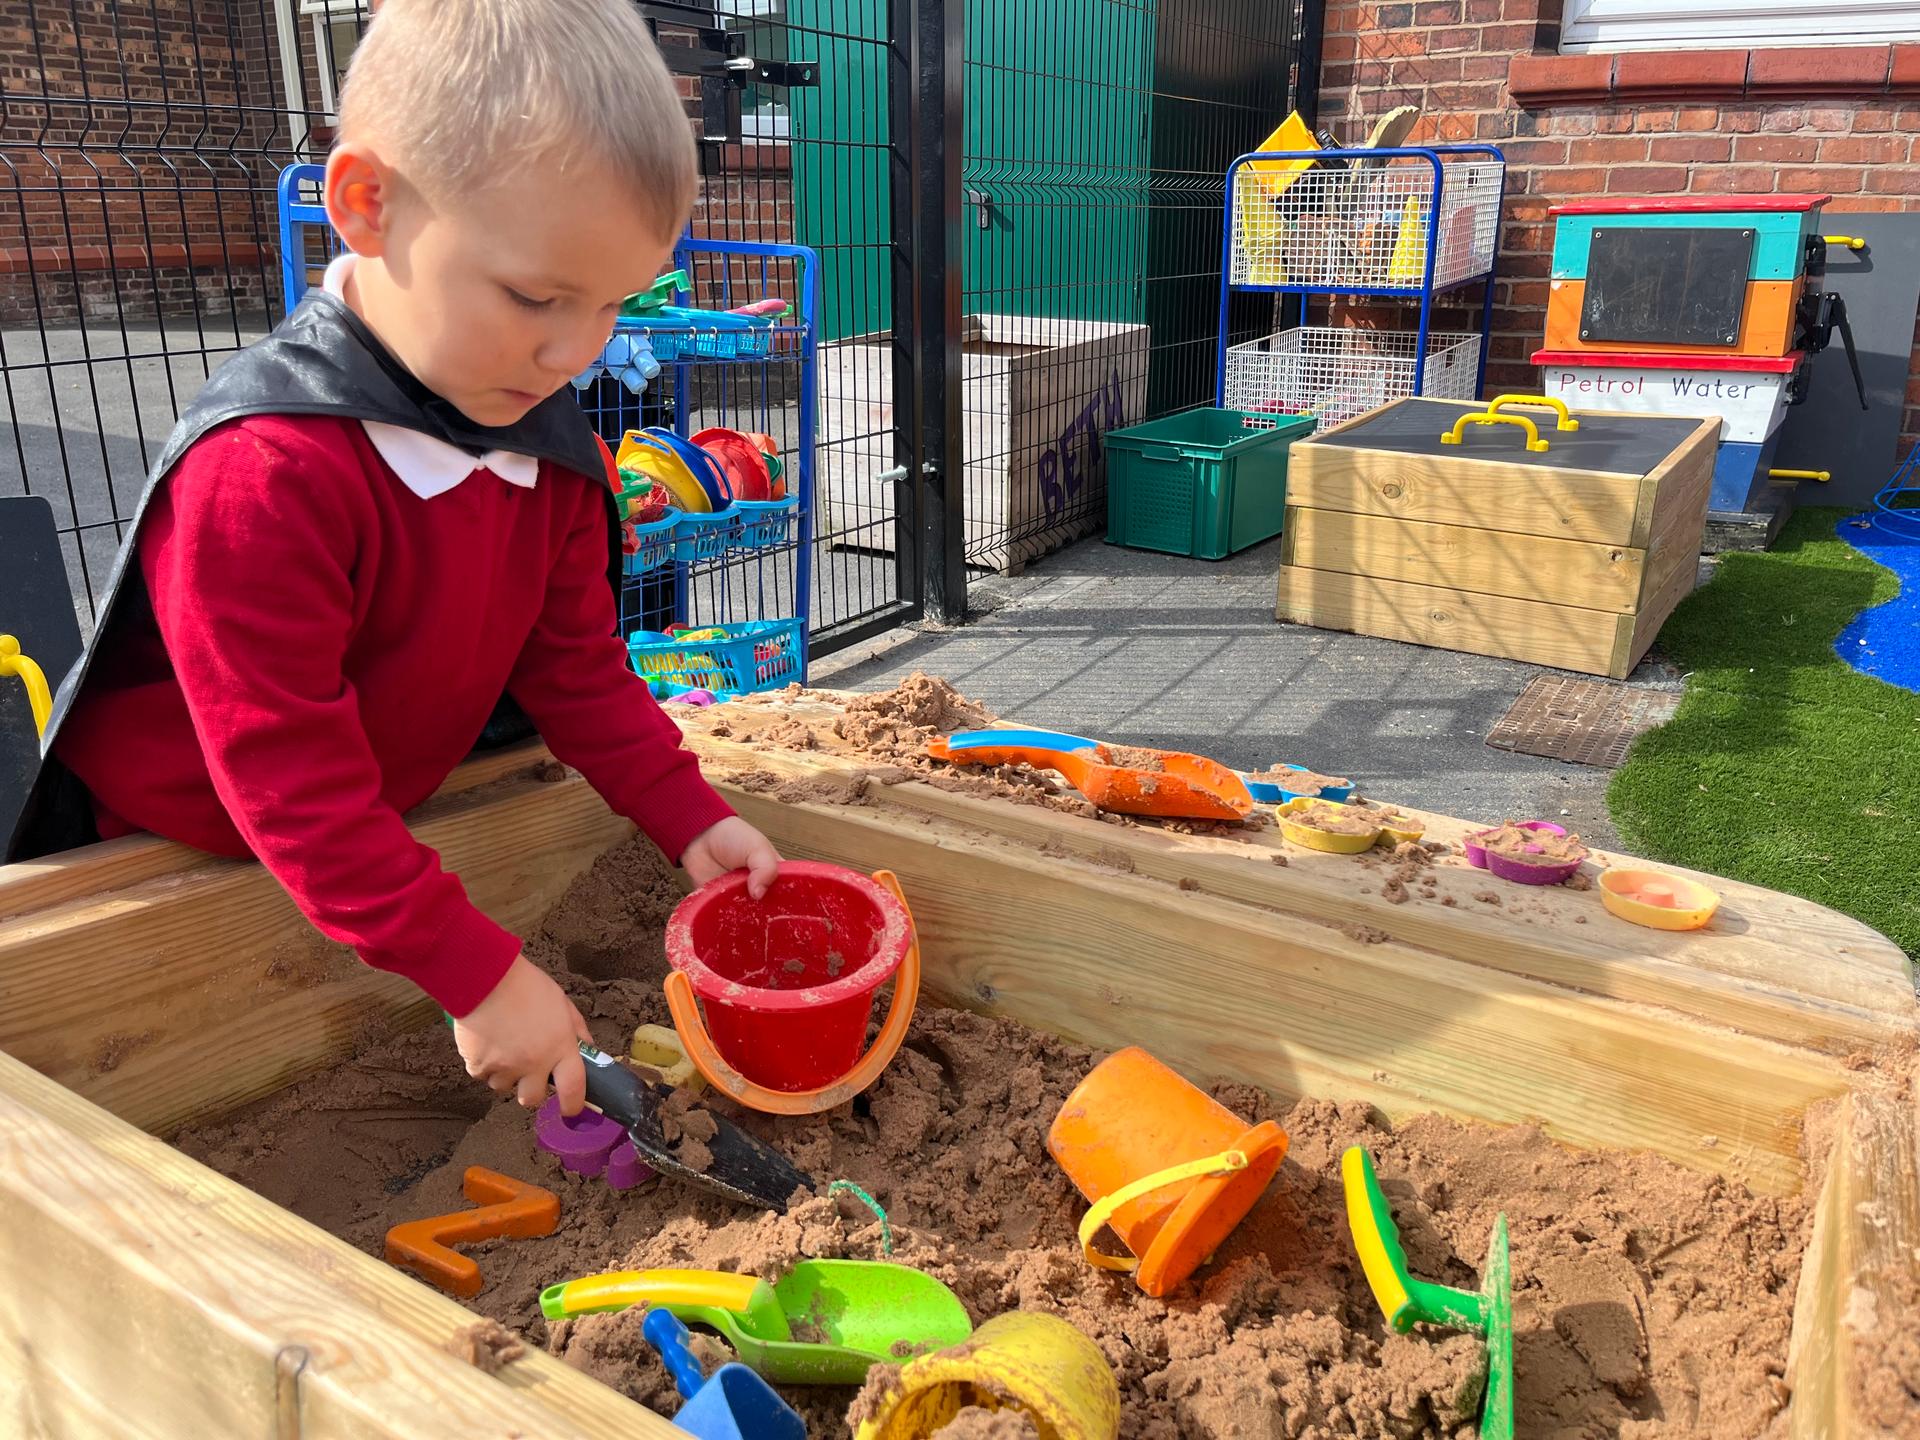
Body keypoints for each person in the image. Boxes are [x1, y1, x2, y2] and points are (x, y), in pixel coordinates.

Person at [10, 0, 780, 1117]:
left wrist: (688, 813)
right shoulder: (268, 472)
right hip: (183, 835)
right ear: (369, 206)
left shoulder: (545, 443)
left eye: (615, 304)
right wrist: (476, 970)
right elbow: (290, 784)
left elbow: (575, 666)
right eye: (534, 297)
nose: (574, 352)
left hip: (373, 817)